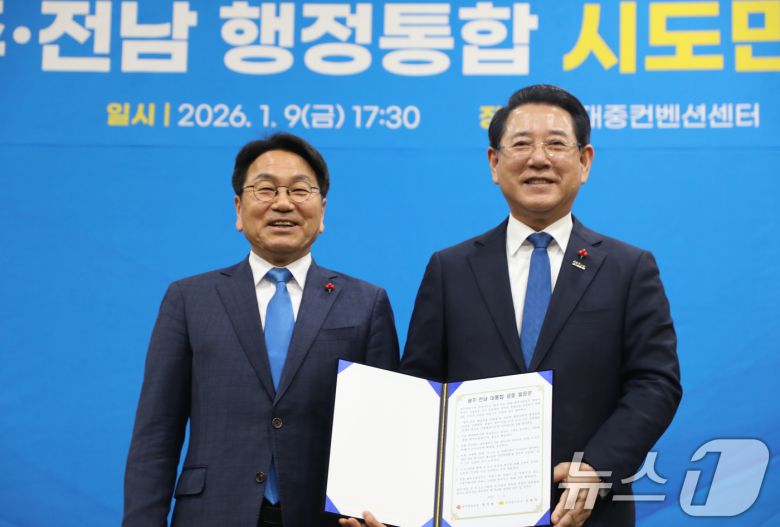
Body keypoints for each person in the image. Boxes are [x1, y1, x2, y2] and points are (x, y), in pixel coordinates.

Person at [341, 85, 681, 527]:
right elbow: (419, 391)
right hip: (467, 513)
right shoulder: (450, 269)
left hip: (585, 512)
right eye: (521, 144)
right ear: (494, 163)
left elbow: (655, 382)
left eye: (556, 144)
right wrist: (391, 500)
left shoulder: (628, 268)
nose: (538, 159)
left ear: (584, 162)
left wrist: (597, 468)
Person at [123, 133, 400, 527]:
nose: (283, 203)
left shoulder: (366, 303)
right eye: (265, 189)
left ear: (322, 210)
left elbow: (384, 431)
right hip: (212, 514)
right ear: (239, 209)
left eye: (299, 190)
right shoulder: (189, 299)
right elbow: (156, 433)